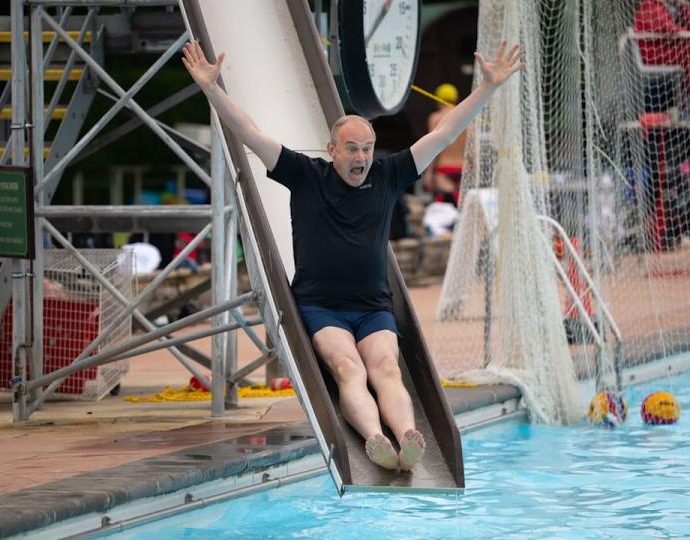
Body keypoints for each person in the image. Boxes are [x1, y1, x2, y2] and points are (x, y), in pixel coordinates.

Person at [181, 39, 524, 472]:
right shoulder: (305, 175)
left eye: (367, 147)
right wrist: (213, 90)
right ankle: (374, 437)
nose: (361, 156)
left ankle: (406, 438)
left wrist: (488, 88)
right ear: (332, 150)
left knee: (385, 367)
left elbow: (444, 134)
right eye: (352, 148)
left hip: (372, 307)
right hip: (321, 307)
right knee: (348, 368)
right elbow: (250, 132)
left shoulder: (388, 173)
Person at [422, 83, 466, 206]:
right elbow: (471, 149)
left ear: (437, 99)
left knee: (444, 211)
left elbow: (433, 148)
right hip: (462, 167)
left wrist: (428, 174)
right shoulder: (467, 117)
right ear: (456, 99)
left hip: (443, 169)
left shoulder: (435, 118)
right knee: (462, 207)